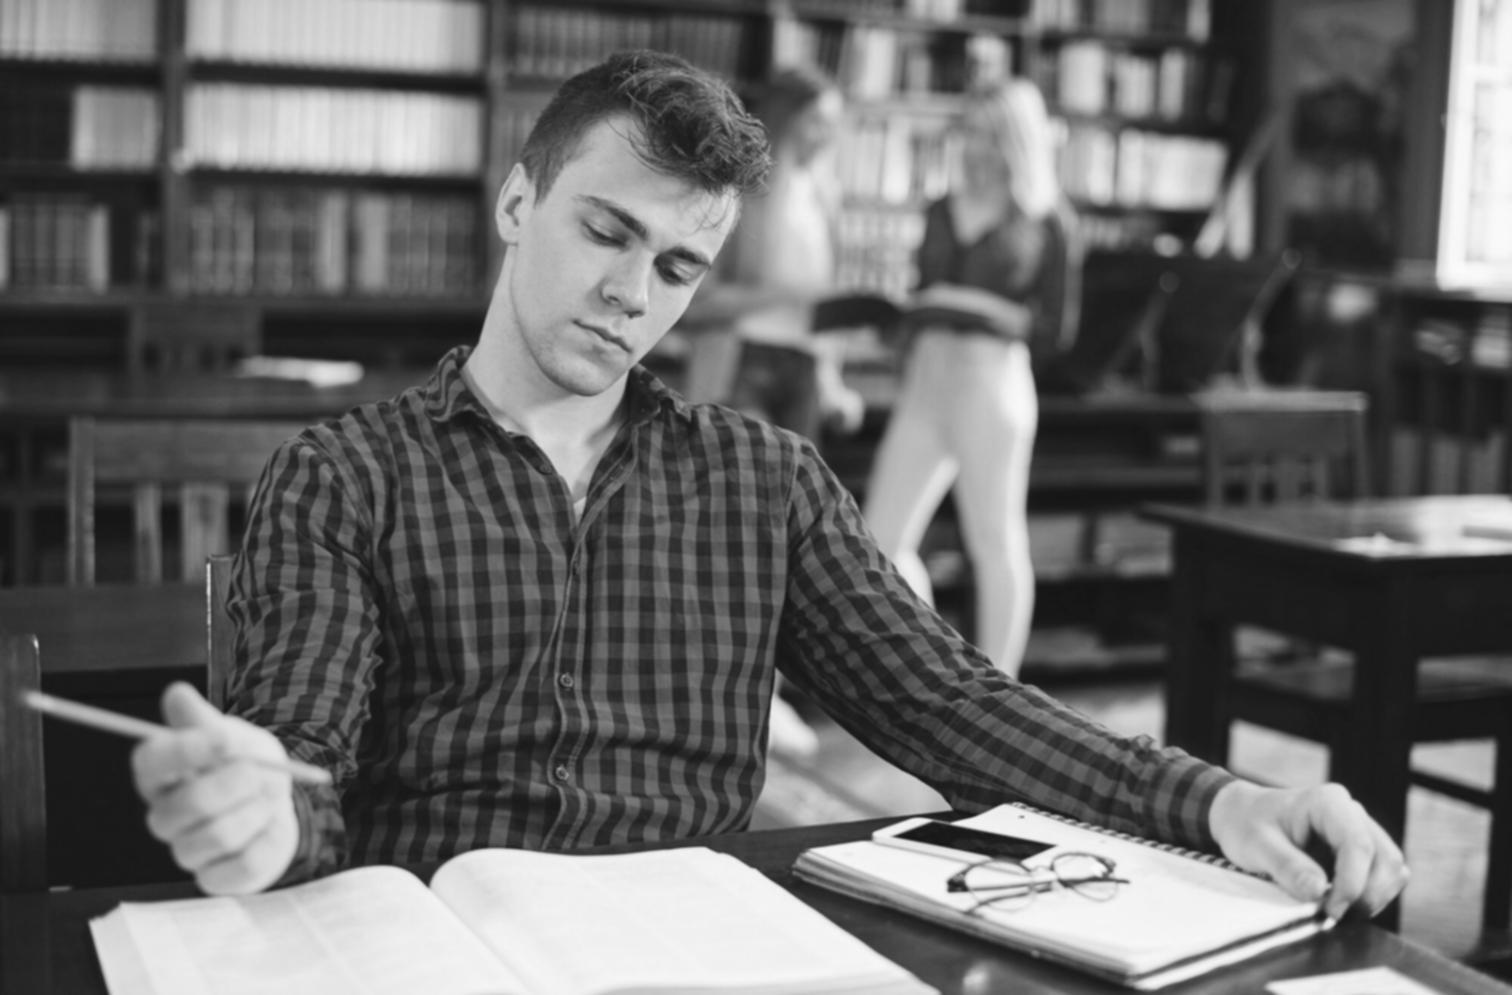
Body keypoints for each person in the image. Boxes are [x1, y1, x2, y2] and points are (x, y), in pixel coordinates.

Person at [131, 51, 1407, 926]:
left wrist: (1225, 798)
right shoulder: (346, 474)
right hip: (439, 949)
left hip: (704, 948)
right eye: (608, 231)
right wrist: (257, 815)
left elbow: (950, 707)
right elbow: (299, 770)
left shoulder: (761, 478)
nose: (637, 294)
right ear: (520, 201)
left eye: (682, 266)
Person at [863, 78, 1077, 678]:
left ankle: (1000, 690)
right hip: (927, 384)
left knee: (995, 541)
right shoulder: (938, 208)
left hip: (994, 389)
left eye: (993, 135)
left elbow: (1057, 330)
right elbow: (917, 300)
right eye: (972, 133)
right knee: (881, 539)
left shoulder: (1048, 219)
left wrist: (984, 309)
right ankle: (939, 670)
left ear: (1018, 141)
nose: (979, 148)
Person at [677, 63, 865, 441]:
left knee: (794, 493)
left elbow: (821, 313)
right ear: (784, 118)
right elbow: (696, 302)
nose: (826, 135)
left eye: (834, 123)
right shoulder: (739, 194)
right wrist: (786, 294)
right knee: (743, 483)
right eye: (815, 121)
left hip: (804, 364)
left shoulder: (824, 197)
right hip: (742, 359)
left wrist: (832, 382)